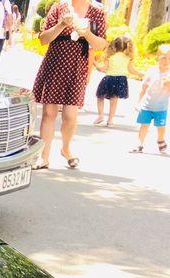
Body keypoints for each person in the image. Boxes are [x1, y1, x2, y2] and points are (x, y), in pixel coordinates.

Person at [31, 0, 108, 169]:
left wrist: (87, 34)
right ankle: (44, 157)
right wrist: (61, 24)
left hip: (77, 66)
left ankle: (65, 148)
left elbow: (101, 44)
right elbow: (43, 39)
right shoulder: (59, 7)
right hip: (55, 63)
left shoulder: (97, 12)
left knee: (70, 115)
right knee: (49, 113)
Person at [129, 44, 170, 154]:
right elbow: (144, 88)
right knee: (144, 125)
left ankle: (160, 140)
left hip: (161, 107)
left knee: (161, 126)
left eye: (169, 58)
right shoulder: (152, 71)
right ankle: (139, 144)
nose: (166, 61)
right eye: (163, 57)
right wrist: (138, 102)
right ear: (157, 57)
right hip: (146, 105)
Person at [94, 35, 141, 126]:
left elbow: (102, 68)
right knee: (114, 101)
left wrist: (95, 64)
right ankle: (110, 120)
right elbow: (131, 70)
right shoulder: (128, 57)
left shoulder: (110, 56)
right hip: (121, 80)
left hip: (109, 78)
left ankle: (100, 116)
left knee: (100, 97)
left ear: (113, 45)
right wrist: (141, 74)